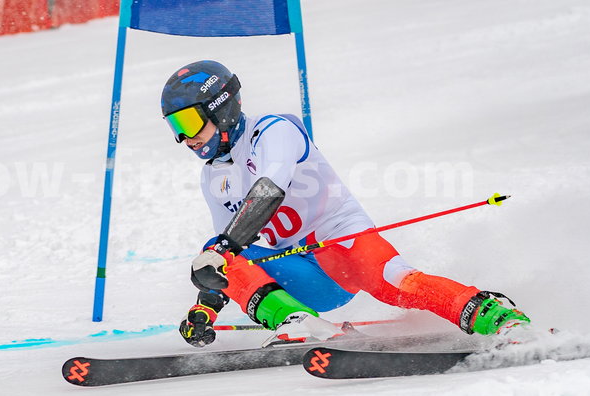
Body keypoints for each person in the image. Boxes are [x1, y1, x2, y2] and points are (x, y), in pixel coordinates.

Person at [161, 59, 530, 348]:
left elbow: (268, 191)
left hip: (340, 245)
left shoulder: (274, 131)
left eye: (190, 122)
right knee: (216, 248)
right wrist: (206, 305)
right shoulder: (214, 177)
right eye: (175, 128)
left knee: (398, 283)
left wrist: (226, 246)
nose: (185, 138)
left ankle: (499, 318)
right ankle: (302, 323)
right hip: (298, 274)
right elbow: (226, 259)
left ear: (221, 108)